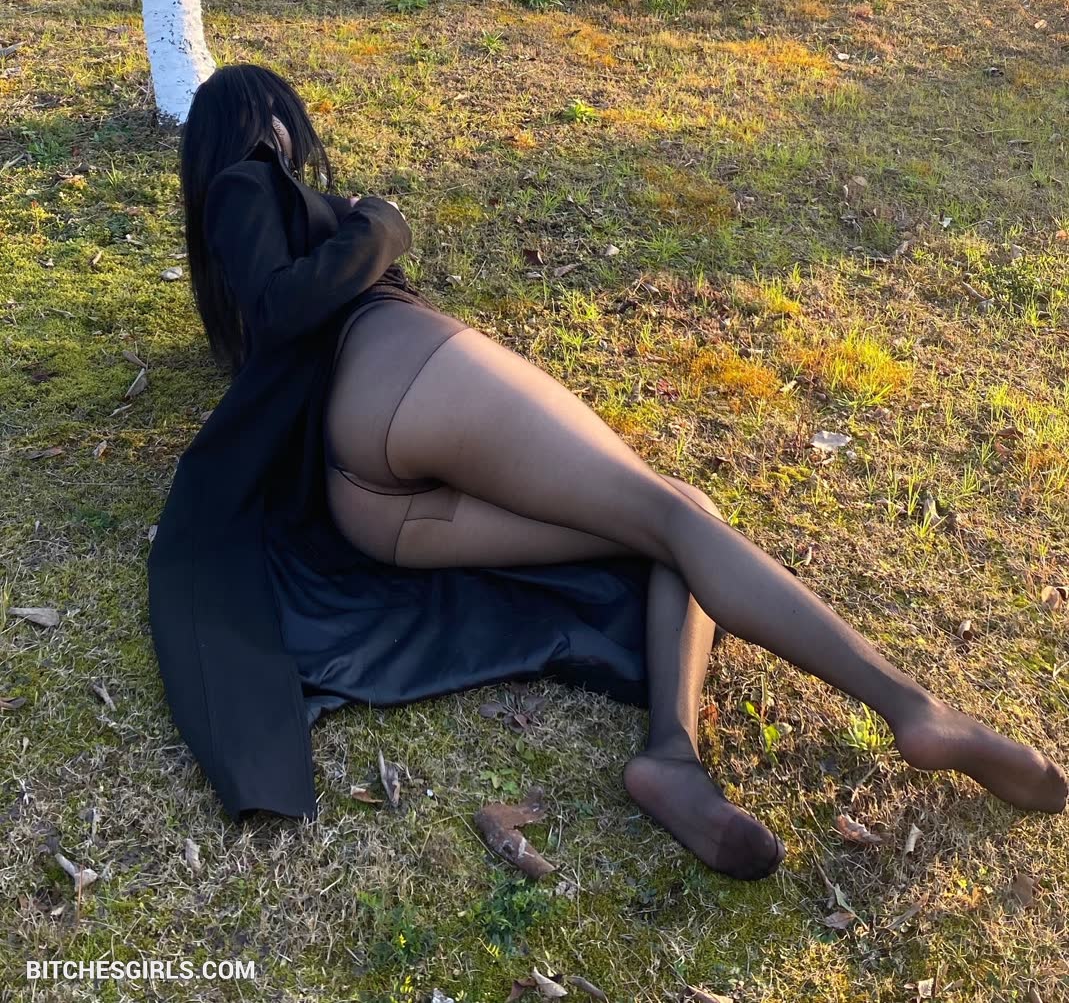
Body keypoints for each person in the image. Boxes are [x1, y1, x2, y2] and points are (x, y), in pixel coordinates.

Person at [149, 62, 1066, 882]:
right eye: (286, 121)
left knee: (669, 525)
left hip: (372, 507)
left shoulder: (229, 254)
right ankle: (913, 709)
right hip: (402, 382)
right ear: (265, 121)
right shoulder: (250, 179)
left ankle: (671, 756)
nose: (296, 140)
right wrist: (378, 225)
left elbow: (269, 320)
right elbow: (288, 307)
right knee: (673, 513)